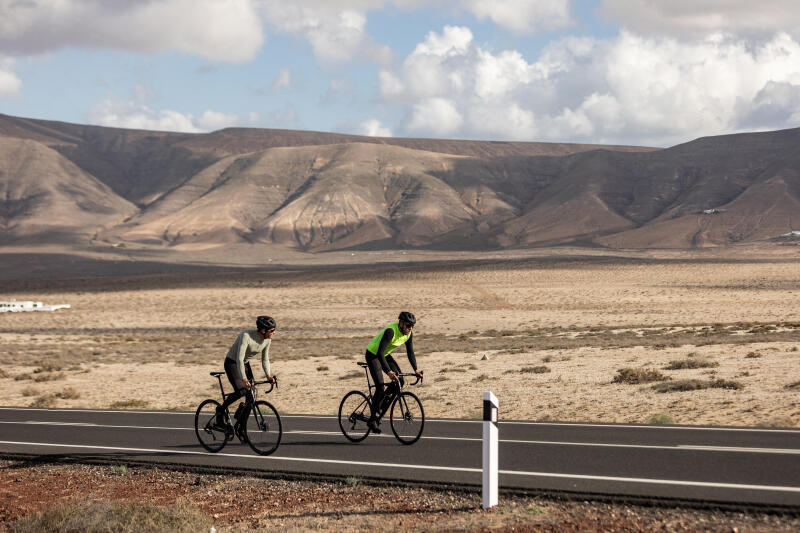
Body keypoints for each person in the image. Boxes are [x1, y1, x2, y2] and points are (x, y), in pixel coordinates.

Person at [365, 311, 424, 433]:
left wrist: (416, 369)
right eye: (408, 325)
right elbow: (379, 353)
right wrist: (389, 372)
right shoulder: (391, 332)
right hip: (373, 355)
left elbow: (410, 352)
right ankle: (372, 419)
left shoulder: (408, 334)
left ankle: (380, 404)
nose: (410, 328)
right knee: (380, 386)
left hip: (384, 355)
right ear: (401, 323)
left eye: (412, 326)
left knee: (400, 381)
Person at [215, 315, 277, 431]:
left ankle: (241, 426)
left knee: (251, 394)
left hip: (245, 363)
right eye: (272, 330)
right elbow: (239, 358)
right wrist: (244, 379)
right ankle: (220, 411)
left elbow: (265, 359)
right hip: (232, 363)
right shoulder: (246, 336)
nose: (274, 332)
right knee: (242, 390)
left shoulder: (267, 340)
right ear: (263, 330)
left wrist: (268, 375)